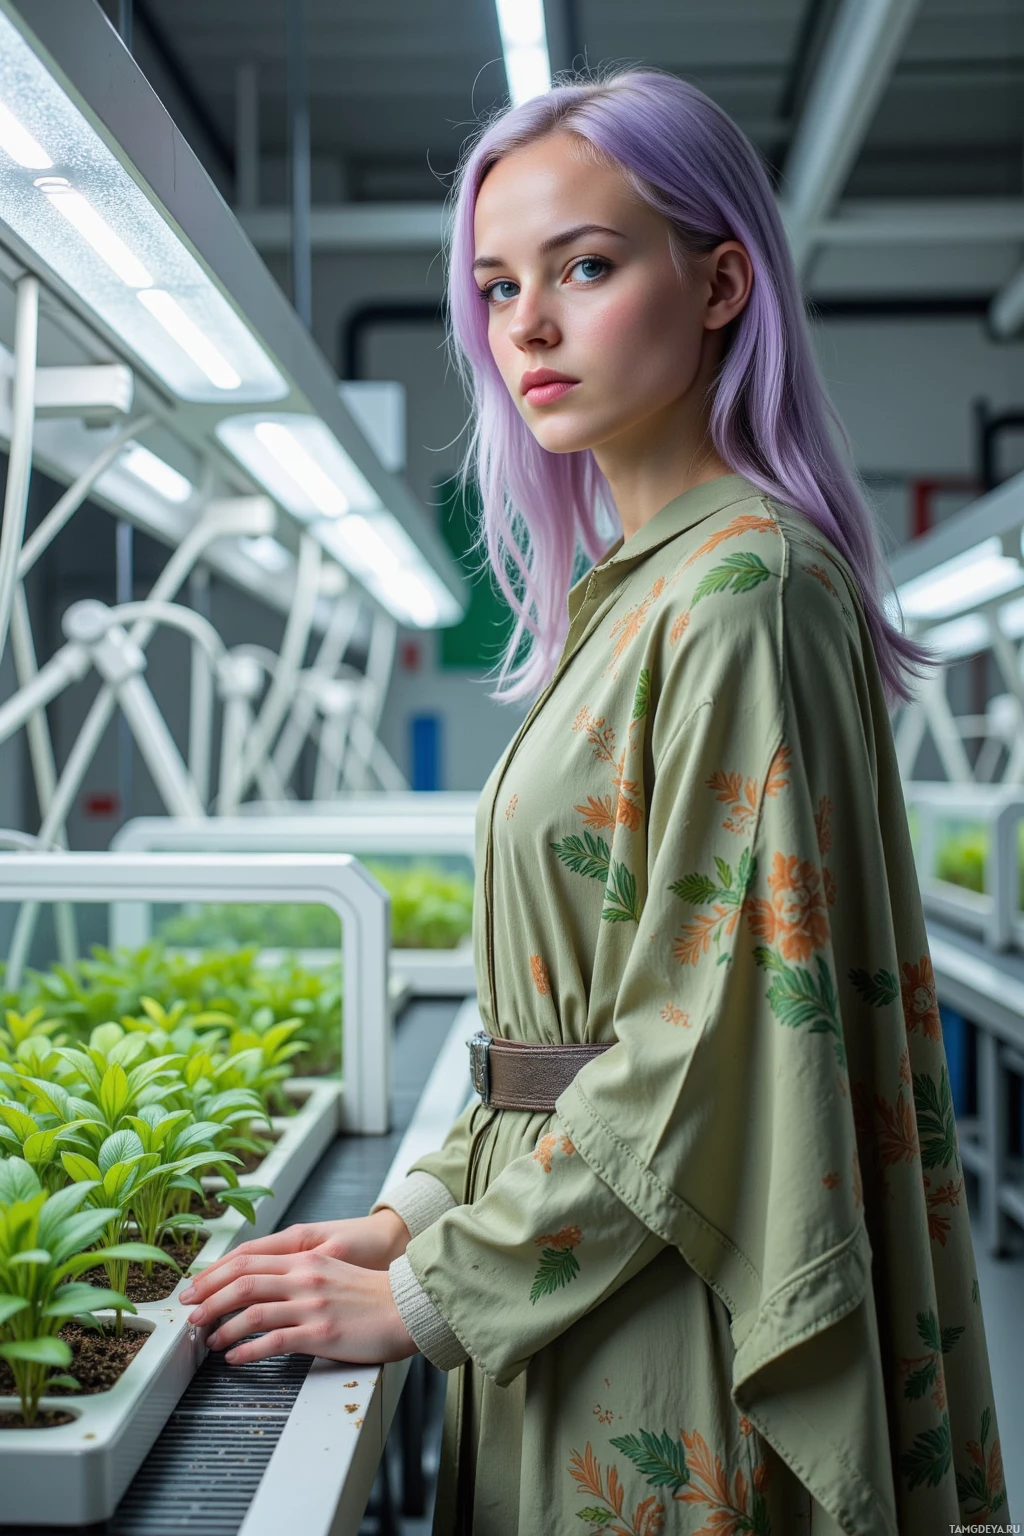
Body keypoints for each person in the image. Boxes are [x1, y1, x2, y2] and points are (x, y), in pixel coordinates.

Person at [180, 68, 1008, 1535]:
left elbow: (699, 1050)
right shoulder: (639, 593)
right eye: (499, 287)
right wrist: (407, 1217)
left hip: (667, 1313)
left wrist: (428, 1295)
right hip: (578, 1267)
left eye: (586, 265)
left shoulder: (745, 589)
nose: (528, 329)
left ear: (720, 284)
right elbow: (548, 1043)